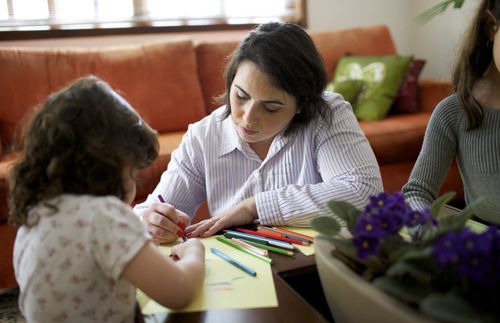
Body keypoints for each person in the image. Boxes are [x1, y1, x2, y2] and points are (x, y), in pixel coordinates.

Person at [134, 22, 383, 243]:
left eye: (271, 107)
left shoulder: (326, 114)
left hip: (313, 267)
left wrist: (254, 207)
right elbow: (158, 207)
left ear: (302, 105)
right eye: (241, 96)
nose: (248, 117)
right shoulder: (204, 136)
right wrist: (151, 219)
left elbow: (363, 194)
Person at [9, 76, 205, 322]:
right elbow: (180, 292)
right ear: (106, 167)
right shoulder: (105, 216)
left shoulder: (36, 213)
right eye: (132, 173)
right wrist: (195, 251)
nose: (134, 186)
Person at [403, 0, 500, 225]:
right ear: (491, 26)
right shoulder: (453, 113)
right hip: (485, 248)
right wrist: (426, 231)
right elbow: (417, 192)